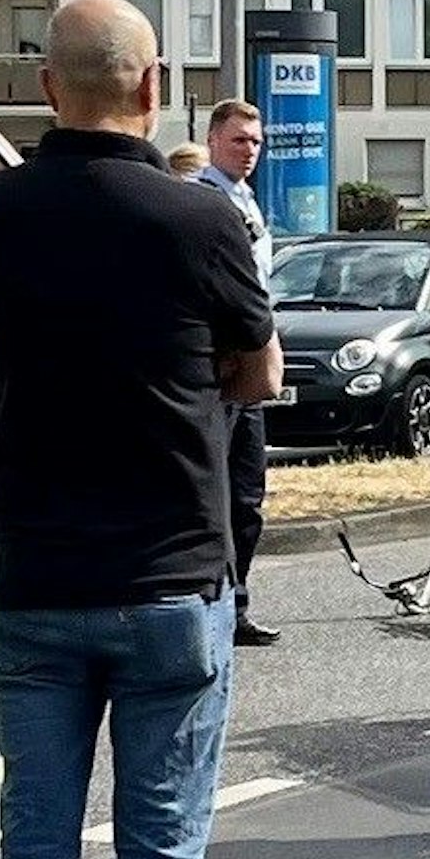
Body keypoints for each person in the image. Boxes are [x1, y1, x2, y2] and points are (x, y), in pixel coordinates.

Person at [0, 0, 281, 859]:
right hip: (169, 580)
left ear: (46, 87)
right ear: (153, 86)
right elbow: (262, 374)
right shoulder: (199, 216)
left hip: (36, 579)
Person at [195, 99, 281, 647]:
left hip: (249, 364)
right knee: (215, 496)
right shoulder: (203, 201)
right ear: (212, 141)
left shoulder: (246, 200)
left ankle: (237, 604)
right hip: (220, 367)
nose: (249, 150)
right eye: (238, 140)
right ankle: (214, 607)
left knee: (247, 496)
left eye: (255, 142)